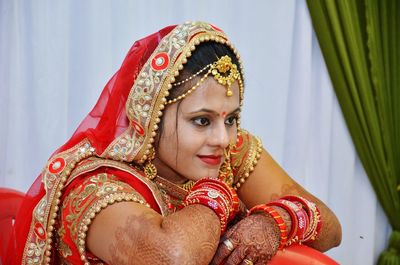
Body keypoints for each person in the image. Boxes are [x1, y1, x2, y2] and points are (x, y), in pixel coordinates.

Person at [12, 21, 341, 265]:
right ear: (150, 115)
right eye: (202, 120)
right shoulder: (94, 187)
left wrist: (275, 221)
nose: (223, 138)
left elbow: (331, 229)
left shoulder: (227, 152)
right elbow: (175, 258)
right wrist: (217, 194)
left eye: (230, 119)